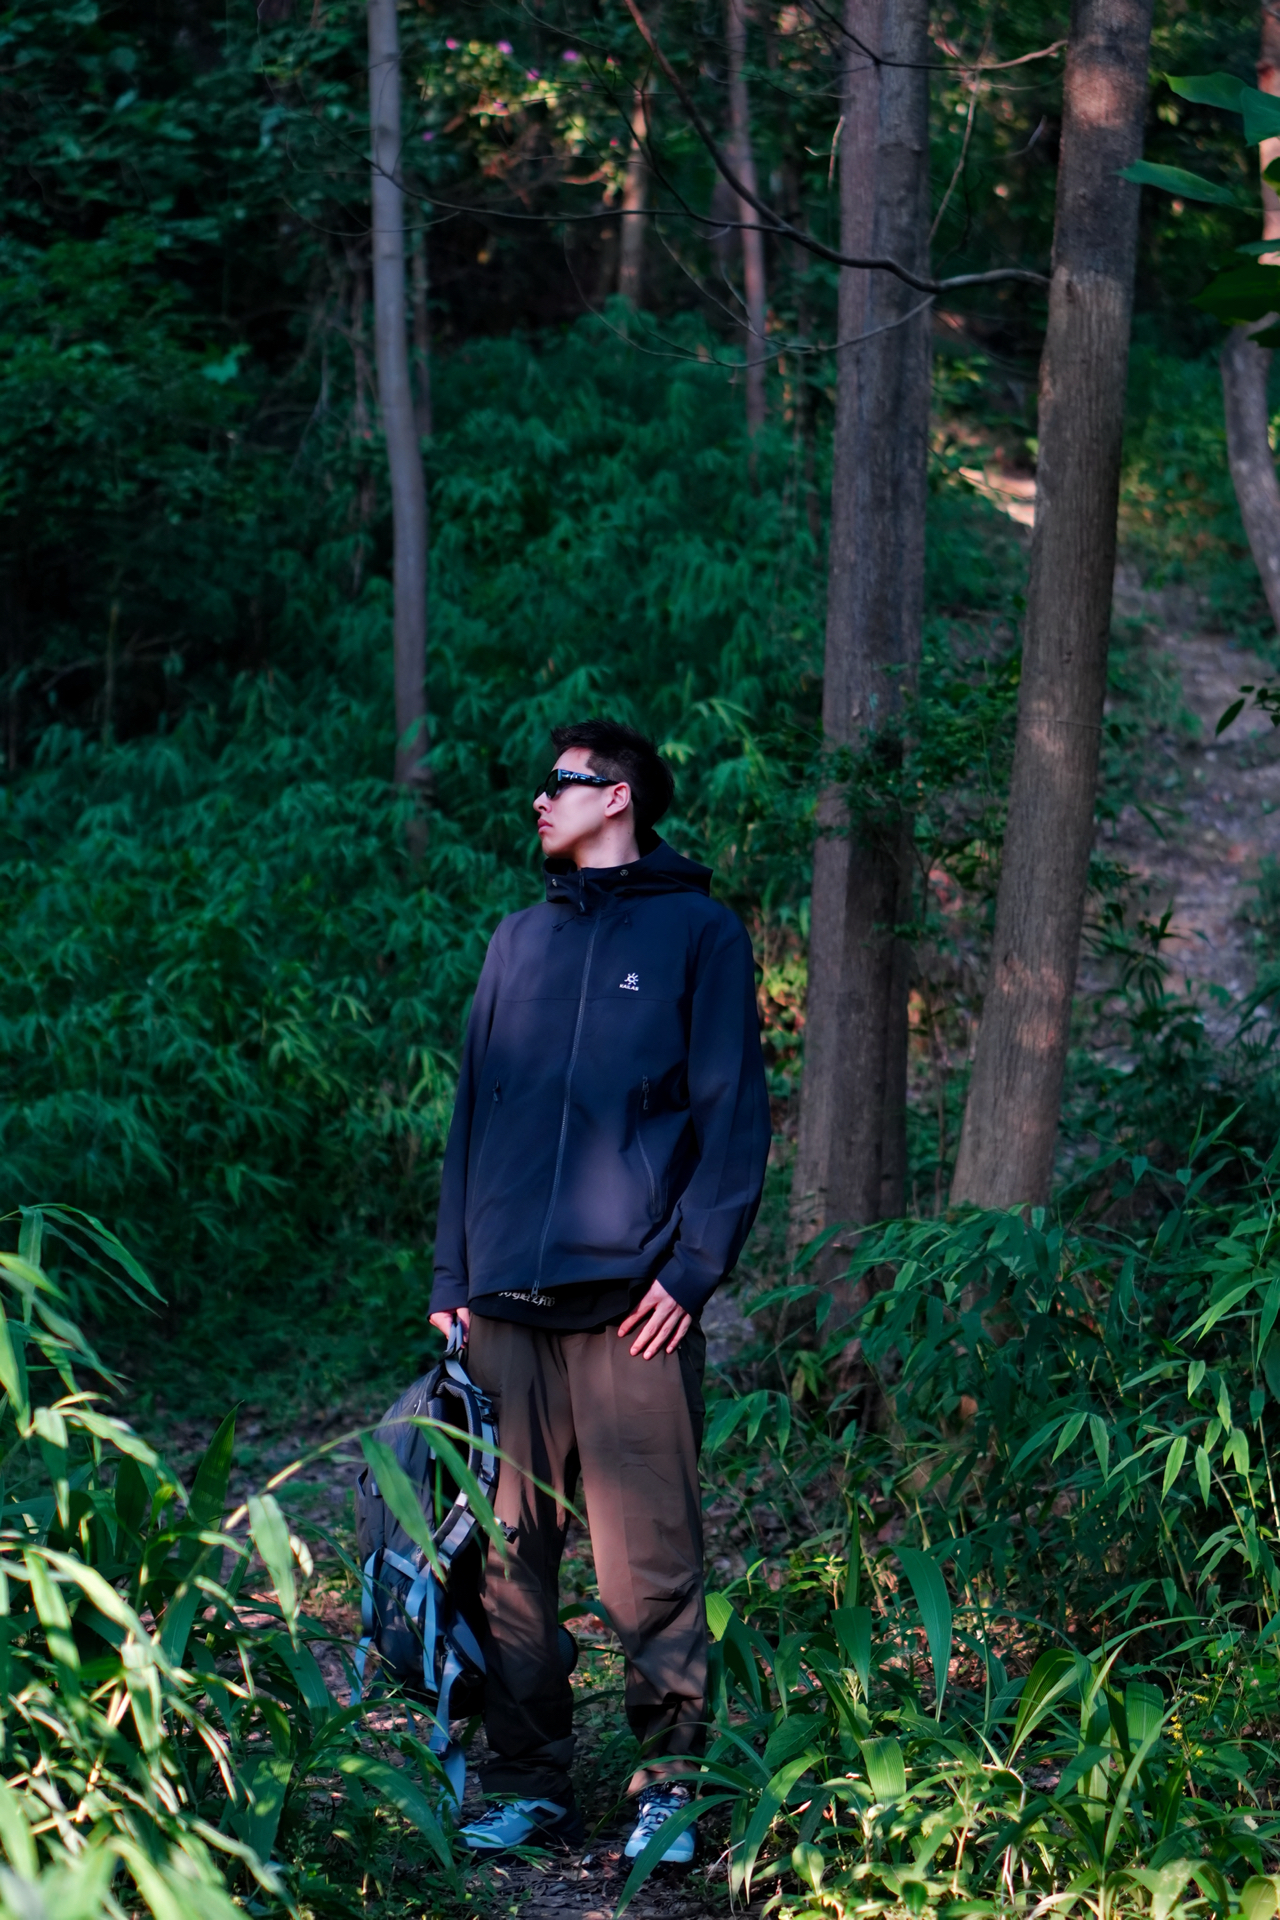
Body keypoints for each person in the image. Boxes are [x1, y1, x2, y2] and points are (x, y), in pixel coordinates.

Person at [428, 719, 770, 1862]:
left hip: (632, 1309)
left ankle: (670, 1783)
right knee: (504, 1559)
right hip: (503, 1310)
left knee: (650, 1562)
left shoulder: (698, 933)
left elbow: (731, 1114)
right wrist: (451, 1276)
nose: (539, 800)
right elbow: (470, 1114)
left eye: (560, 783)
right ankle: (527, 1781)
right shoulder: (516, 940)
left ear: (617, 796)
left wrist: (692, 1268)